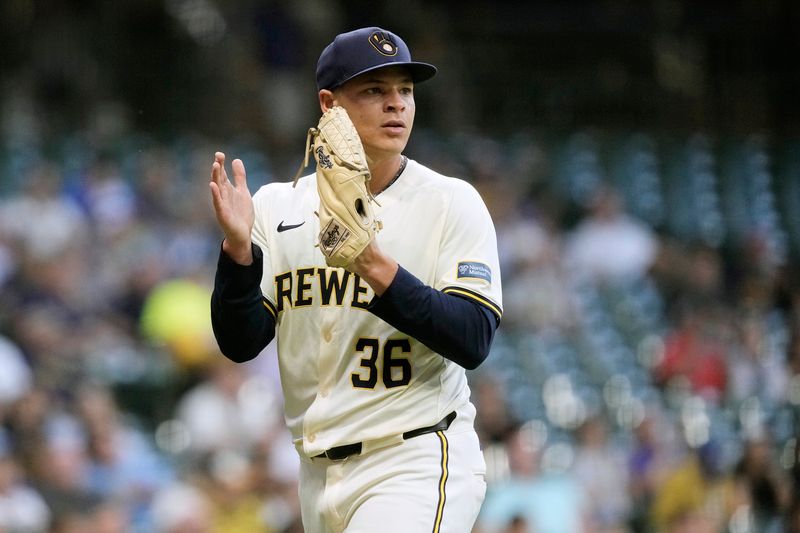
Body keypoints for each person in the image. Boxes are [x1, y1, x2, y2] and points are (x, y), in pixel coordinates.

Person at [208, 27, 503, 532]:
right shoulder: (278, 207)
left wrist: (373, 264)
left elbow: (472, 337)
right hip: (316, 475)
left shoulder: (451, 202)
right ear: (329, 103)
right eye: (375, 90)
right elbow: (241, 342)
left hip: (413, 458)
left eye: (405, 91)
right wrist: (238, 255)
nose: (397, 105)